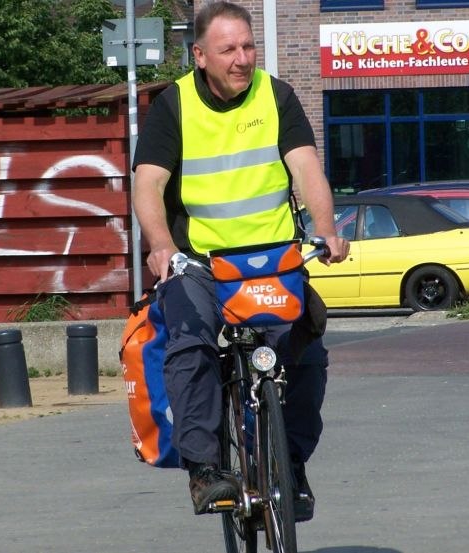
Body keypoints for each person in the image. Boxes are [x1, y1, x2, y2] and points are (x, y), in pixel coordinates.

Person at [131, 0, 349, 522]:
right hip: (200, 265)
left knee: (305, 352)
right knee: (191, 343)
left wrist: (326, 229)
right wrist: (161, 244)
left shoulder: (277, 97)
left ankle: (290, 466)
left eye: (249, 46)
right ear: (200, 55)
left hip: (273, 261)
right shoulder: (175, 105)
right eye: (229, 49)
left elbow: (307, 171)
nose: (242, 58)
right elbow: (149, 183)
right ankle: (205, 469)